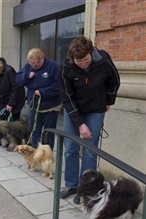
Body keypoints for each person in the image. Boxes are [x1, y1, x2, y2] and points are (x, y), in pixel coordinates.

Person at [59, 35, 120, 204]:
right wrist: (79, 124)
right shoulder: (66, 67)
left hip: (95, 109)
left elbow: (114, 81)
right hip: (74, 110)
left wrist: (108, 101)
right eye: (79, 62)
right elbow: (67, 97)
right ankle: (71, 185)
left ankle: (85, 188)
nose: (84, 65)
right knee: (70, 148)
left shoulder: (103, 60)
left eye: (86, 60)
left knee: (90, 150)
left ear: (91, 52)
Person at [16, 48, 61, 150]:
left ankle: (47, 155)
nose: (33, 66)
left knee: (48, 132)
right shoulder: (29, 67)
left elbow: (58, 86)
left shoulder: (53, 67)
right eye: (31, 64)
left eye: (35, 64)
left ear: (41, 59)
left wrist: (43, 92)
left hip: (50, 106)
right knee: (34, 130)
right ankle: (34, 154)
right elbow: (18, 79)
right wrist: (27, 75)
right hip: (34, 104)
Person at [0, 57, 25, 146]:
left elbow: (15, 88)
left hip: (15, 98)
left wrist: (11, 103)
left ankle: (15, 141)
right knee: (2, 121)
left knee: (15, 123)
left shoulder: (9, 71)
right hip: (1, 99)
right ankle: (1, 139)